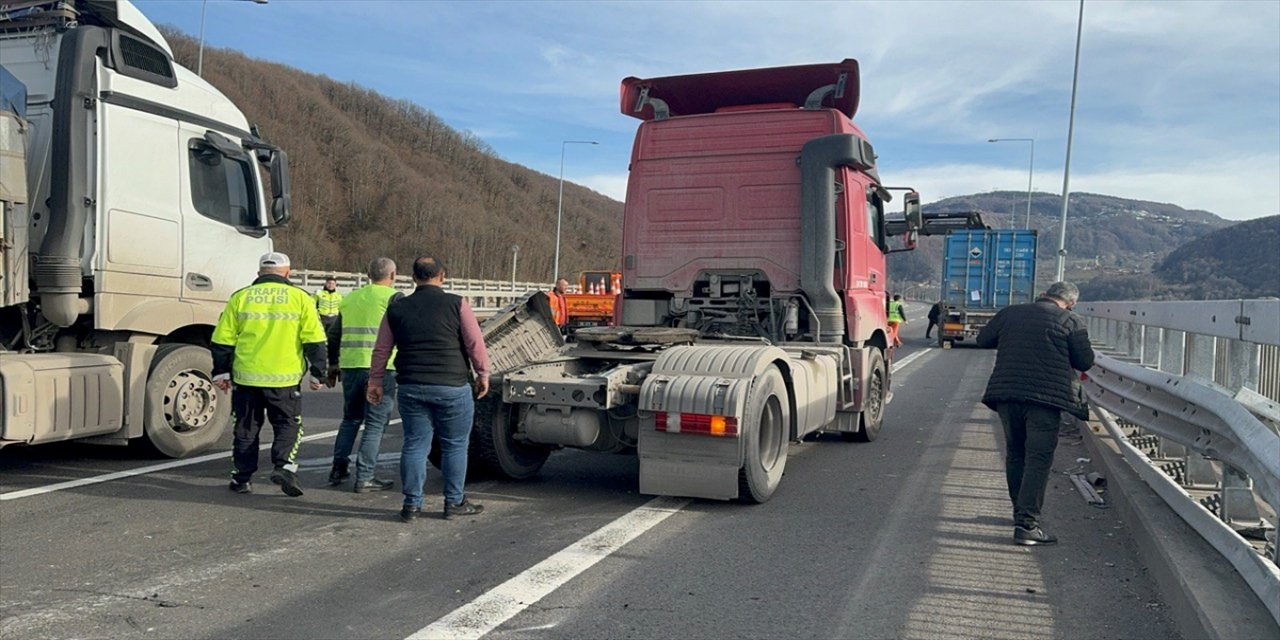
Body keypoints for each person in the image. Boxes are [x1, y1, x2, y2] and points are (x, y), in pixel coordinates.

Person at [367, 256, 490, 523]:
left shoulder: (397, 307)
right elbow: (474, 343)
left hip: (411, 386)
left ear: (413, 277)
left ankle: (411, 505)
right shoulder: (457, 303)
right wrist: (483, 374)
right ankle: (454, 502)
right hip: (452, 385)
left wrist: (375, 381)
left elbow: (381, 349)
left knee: (414, 444)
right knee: (455, 446)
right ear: (442, 276)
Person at [976, 281, 1095, 546]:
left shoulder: (1010, 313)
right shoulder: (1071, 321)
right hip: (1045, 399)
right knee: (1038, 459)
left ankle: (1020, 514)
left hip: (1007, 394)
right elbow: (1084, 361)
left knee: (1016, 454)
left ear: (1044, 295)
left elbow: (983, 339)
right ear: (1071, 303)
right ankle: (1027, 525)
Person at [212, 252, 327, 497]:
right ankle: (284, 465)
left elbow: (222, 340)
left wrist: (221, 371)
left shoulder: (240, 297)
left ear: (258, 274)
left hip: (246, 378)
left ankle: (242, 479)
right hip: (284, 379)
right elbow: (315, 340)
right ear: (288, 273)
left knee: (245, 428)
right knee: (287, 424)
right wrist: (318, 373)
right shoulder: (300, 298)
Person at [326, 257, 404, 493]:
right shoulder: (394, 298)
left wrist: (332, 365)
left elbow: (334, 334)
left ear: (368, 275)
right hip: (381, 369)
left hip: (350, 366)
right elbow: (404, 333)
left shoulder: (350, 298)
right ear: (393, 276)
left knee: (350, 419)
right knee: (375, 424)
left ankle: (338, 468)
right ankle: (366, 477)